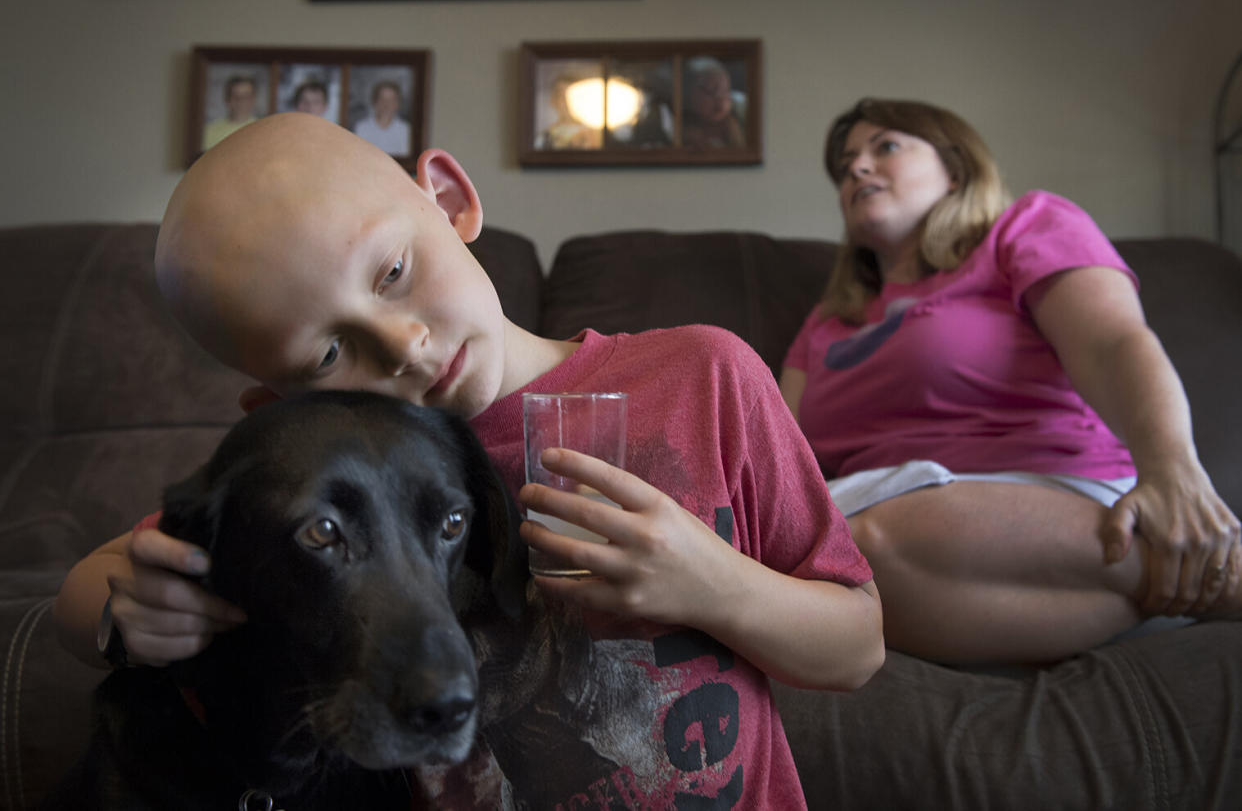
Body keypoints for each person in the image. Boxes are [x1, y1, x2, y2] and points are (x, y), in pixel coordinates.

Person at [53, 113, 883, 807]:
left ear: (448, 200)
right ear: (286, 409)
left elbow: (855, 646)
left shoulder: (704, 375)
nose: (405, 345)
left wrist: (714, 584)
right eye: (330, 354)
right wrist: (117, 607)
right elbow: (104, 581)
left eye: (393, 273)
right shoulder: (343, 471)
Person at [780, 97, 1242, 665]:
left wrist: (1172, 471)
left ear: (955, 167)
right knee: (830, 549)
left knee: (870, 545)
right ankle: (1180, 579)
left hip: (1056, 492)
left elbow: (1112, 343)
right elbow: (784, 455)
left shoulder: (1024, 227)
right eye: (847, 163)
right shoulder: (825, 323)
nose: (857, 168)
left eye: (886, 147)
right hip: (880, 507)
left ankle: (1210, 571)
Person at [681, 56, 745, 150]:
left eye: (725, 91)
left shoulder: (741, 113)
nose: (720, 99)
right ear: (690, 94)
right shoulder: (679, 129)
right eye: (711, 91)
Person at [352, 80, 412, 157]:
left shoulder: (405, 130)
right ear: (375, 102)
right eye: (382, 99)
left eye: (391, 100)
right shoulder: (362, 127)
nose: (386, 104)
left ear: (398, 103)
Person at [201, 75, 259, 151]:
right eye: (236, 96)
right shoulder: (209, 131)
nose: (241, 101)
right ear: (227, 99)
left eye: (246, 96)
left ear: (253, 99)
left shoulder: (261, 130)